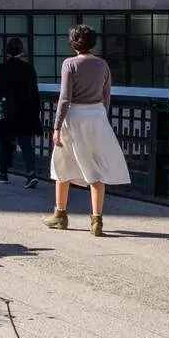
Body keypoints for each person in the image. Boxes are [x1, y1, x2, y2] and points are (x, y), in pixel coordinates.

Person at [48, 25, 131, 236]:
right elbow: (106, 95)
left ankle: (60, 214)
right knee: (95, 169)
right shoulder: (103, 64)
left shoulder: (70, 64)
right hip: (97, 117)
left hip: (74, 117)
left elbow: (65, 98)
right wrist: (101, 114)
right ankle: (96, 220)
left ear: (73, 42)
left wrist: (57, 126)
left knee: (63, 164)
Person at [0, 37, 43, 189]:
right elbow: (34, 91)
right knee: (26, 143)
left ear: (7, 51)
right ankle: (31, 173)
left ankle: (3, 173)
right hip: (26, 110)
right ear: (22, 50)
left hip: (7, 111)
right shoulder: (29, 68)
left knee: (4, 142)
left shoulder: (1, 68)